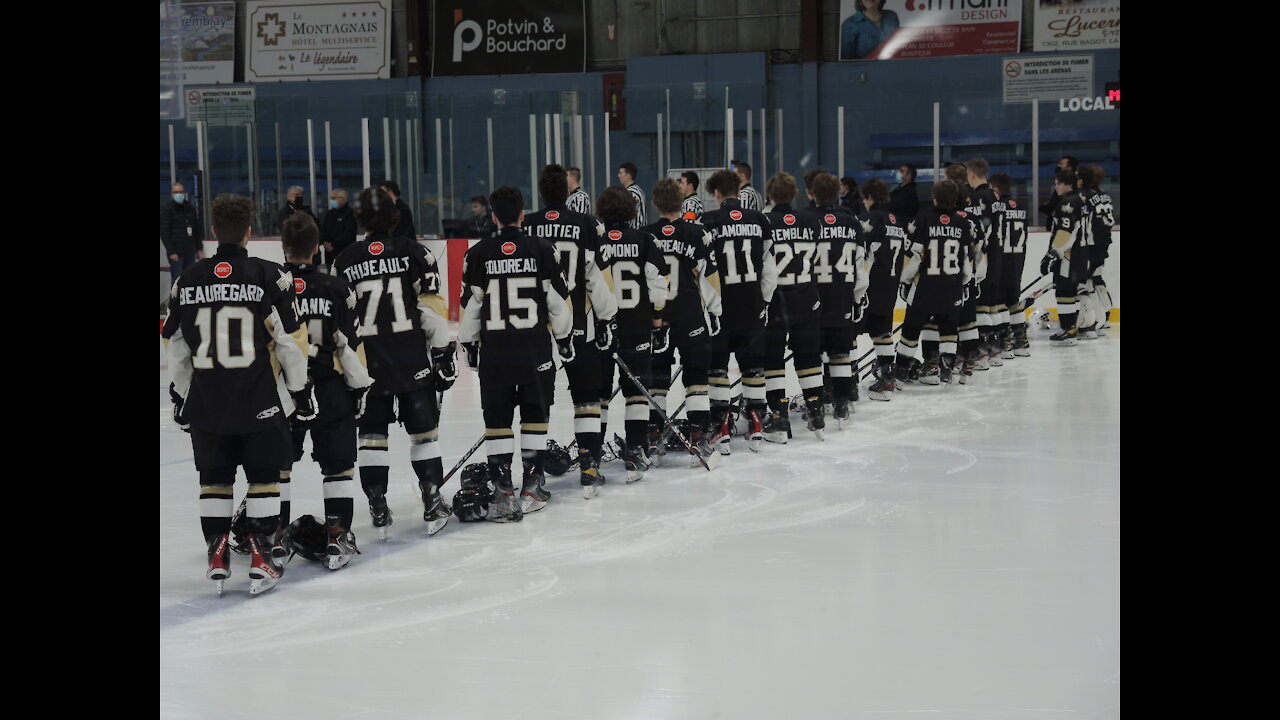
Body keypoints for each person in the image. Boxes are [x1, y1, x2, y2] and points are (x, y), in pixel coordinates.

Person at [163, 194, 315, 596]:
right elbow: (289, 342)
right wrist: (299, 389)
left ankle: (217, 553)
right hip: (259, 398)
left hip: (208, 400)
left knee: (214, 480)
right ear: (249, 231)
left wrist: (182, 393)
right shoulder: (269, 276)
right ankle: (262, 555)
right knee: (264, 477)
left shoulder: (187, 280)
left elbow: (176, 346)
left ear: (213, 231)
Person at [333, 186, 455, 539]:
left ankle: (377, 504)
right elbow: (431, 312)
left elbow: (343, 324)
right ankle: (432, 498)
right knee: (424, 436)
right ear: (395, 215)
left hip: (369, 365)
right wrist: (442, 354)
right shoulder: (418, 253)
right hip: (411, 360)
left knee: (373, 437)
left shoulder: (344, 261)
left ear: (360, 219)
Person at [458, 186, 574, 522]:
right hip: (534, 350)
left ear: (493, 216)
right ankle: (533, 486)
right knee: (535, 416)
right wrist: (564, 339)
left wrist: (470, 344)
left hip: (496, 352)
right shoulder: (543, 249)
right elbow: (558, 304)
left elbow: (471, 308)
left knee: (497, 422)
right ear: (523, 215)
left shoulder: (477, 253)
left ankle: (503, 489)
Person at [279, 213, 373, 570]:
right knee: (338, 468)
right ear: (316, 247)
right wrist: (359, 386)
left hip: (286, 392)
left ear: (283, 247)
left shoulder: (271, 286)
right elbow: (349, 344)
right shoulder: (336, 288)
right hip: (329, 388)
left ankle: (274, 538)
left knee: (277, 469)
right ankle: (338, 535)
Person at [523, 164, 619, 490]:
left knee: (536, 402)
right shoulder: (587, 224)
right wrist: (606, 317)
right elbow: (597, 278)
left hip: (537, 329)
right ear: (568, 191)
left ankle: (534, 474)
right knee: (586, 397)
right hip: (580, 325)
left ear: (540, 191)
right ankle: (589, 466)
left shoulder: (528, 225)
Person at [641, 178, 720, 467]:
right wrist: (715, 311)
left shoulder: (646, 235)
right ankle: (699, 433)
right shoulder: (697, 233)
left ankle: (652, 434)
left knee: (657, 376)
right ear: (681, 202)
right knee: (696, 376)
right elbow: (709, 277)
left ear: (655, 203)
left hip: (657, 317)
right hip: (690, 314)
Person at [595, 185, 669, 485]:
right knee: (637, 393)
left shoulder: (596, 241)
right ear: (631, 210)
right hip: (636, 326)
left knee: (598, 395)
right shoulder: (644, 240)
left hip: (601, 329)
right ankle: (636, 450)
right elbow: (658, 286)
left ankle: (592, 456)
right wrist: (657, 321)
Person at [701, 169, 777, 452]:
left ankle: (721, 424)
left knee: (718, 368)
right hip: (751, 305)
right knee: (753, 366)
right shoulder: (760, 220)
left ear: (716, 193)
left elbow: (704, 271)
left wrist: (710, 306)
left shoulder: (707, 221)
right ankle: (756, 421)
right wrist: (764, 301)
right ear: (738, 190)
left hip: (721, 309)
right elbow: (770, 269)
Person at [762, 172, 824, 440]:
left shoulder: (765, 221)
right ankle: (816, 409)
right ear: (794, 194)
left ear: (770, 195)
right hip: (806, 297)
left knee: (773, 358)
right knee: (808, 357)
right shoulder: (811, 220)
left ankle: (778, 415)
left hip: (777, 301)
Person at [803, 172, 866, 429]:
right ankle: (841, 402)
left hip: (814, 297)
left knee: (813, 354)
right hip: (842, 296)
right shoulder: (851, 221)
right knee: (840, 352)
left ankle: (819, 401)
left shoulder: (805, 219)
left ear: (812, 193)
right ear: (837, 193)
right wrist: (858, 297)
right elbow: (860, 265)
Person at [895, 180, 973, 385]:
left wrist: (905, 280)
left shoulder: (923, 219)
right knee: (949, 329)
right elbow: (967, 259)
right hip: (952, 286)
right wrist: (965, 282)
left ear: (934, 197)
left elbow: (914, 256)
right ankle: (946, 369)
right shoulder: (962, 223)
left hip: (924, 288)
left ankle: (901, 371)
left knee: (911, 330)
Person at [859, 178, 908, 401]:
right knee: (882, 333)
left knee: (849, 335)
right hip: (889, 286)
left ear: (869, 197)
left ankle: (846, 383)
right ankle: (888, 378)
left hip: (868, 286)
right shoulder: (896, 221)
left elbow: (860, 251)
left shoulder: (870, 218)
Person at [1040, 168, 1088, 346]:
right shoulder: (1081, 200)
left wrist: (1052, 254)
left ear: (1068, 185)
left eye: (1058, 184)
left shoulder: (1067, 203)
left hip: (1068, 256)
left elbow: (1065, 232)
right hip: (1080, 255)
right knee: (1072, 293)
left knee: (1064, 292)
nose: (1056, 187)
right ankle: (1071, 329)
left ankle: (1068, 330)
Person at [965, 157, 1004, 370]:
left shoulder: (980, 196)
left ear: (972, 174)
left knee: (981, 307)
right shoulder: (995, 195)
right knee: (990, 306)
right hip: (998, 255)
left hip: (986, 257)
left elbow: (982, 229)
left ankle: (983, 352)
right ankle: (995, 349)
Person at [987, 172, 1031, 358]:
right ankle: (1021, 341)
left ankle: (1005, 342)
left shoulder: (997, 206)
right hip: (1017, 259)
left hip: (1001, 260)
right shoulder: (1020, 205)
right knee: (1013, 300)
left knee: (999, 302)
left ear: (996, 188)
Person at [1078, 165, 1115, 334]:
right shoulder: (1104, 195)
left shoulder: (1087, 196)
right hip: (1103, 242)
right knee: (1097, 278)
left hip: (1092, 243)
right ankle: (1105, 317)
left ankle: (1096, 321)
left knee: (1088, 282)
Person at [161, 182, 204, 285]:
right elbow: (164, 233)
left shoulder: (190, 208)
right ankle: (175, 296)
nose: (179, 194)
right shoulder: (167, 209)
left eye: (181, 192)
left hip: (190, 251)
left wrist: (199, 248)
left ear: (185, 193)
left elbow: (196, 229)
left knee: (190, 279)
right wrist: (171, 251)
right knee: (177, 281)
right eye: (176, 192)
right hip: (176, 253)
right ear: (172, 194)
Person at [320, 188, 357, 262]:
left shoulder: (350, 213)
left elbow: (348, 233)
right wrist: (324, 242)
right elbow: (323, 230)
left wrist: (333, 244)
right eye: (331, 198)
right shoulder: (329, 213)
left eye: (334, 198)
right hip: (329, 254)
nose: (332, 200)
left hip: (345, 253)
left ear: (343, 199)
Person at [1039, 156, 1078, 225]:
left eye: (1061, 164)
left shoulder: (1074, 191)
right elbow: (1051, 205)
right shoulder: (1060, 189)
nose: (1058, 166)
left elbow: (1052, 206)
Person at [618, 162, 647, 229]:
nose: (618, 175)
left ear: (628, 175)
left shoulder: (632, 192)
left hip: (635, 231)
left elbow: (627, 217)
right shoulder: (637, 190)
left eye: (621, 173)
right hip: (639, 231)